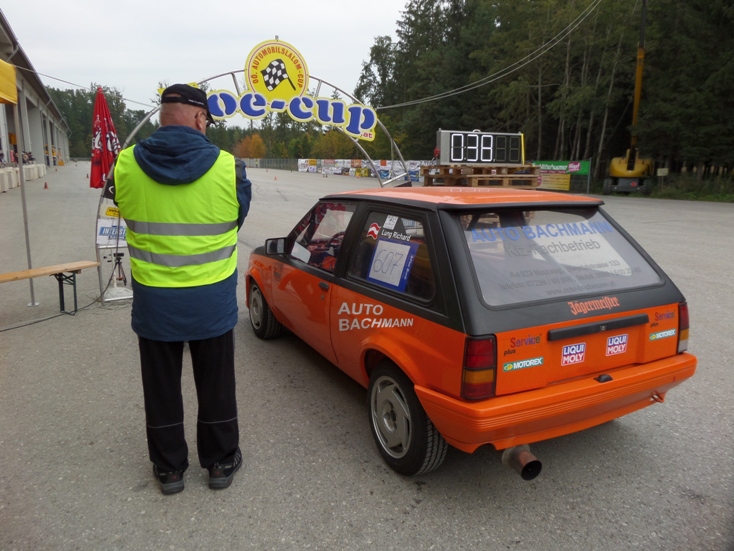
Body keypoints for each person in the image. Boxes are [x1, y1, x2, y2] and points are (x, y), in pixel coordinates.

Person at [113, 83, 252, 495]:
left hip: (155, 298)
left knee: (160, 387)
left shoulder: (126, 164)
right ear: (198, 117)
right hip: (211, 298)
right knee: (216, 385)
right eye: (206, 119)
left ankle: (169, 468)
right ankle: (220, 462)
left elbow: (124, 210)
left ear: (163, 116)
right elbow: (237, 218)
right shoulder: (229, 167)